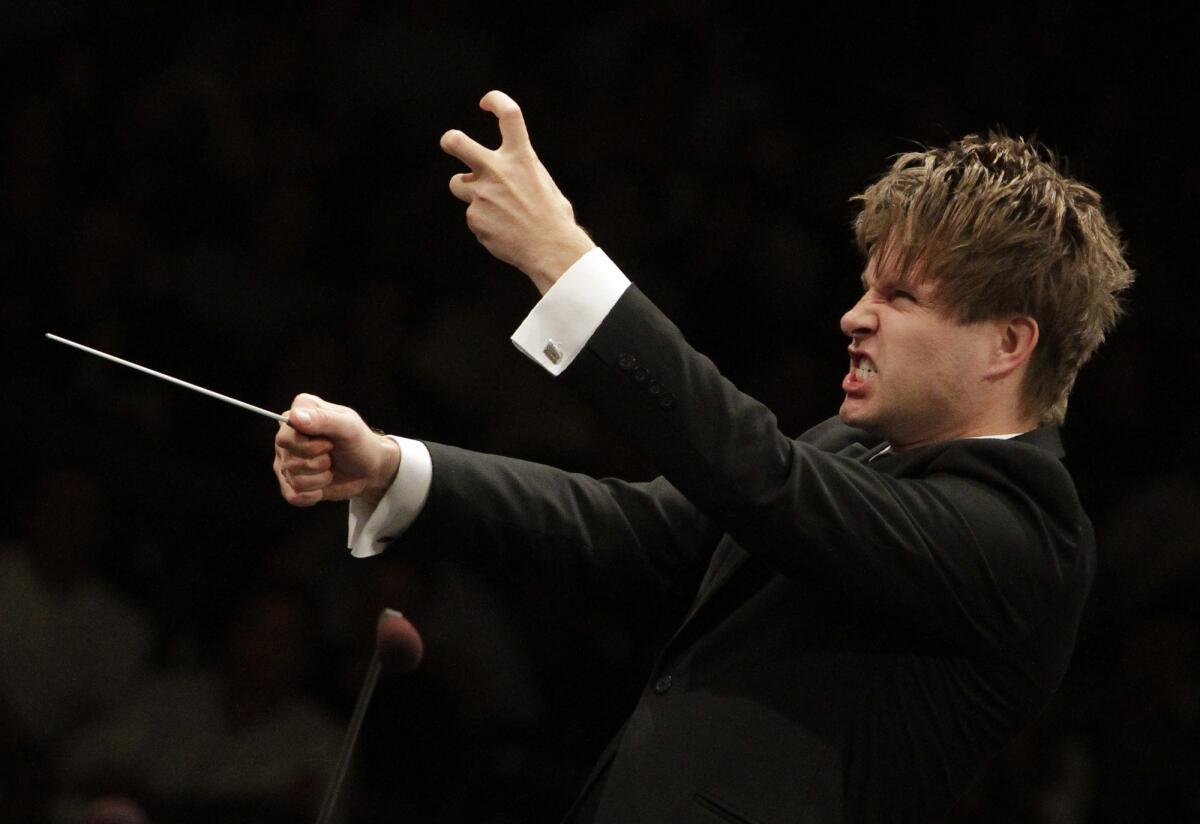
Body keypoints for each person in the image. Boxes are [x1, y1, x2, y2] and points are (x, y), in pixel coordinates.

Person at [272, 91, 1133, 823]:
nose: (855, 317)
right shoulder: (852, 448)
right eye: (867, 287)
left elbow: (765, 480)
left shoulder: (1025, 533)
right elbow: (641, 528)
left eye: (899, 297)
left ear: (1007, 344)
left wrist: (563, 261)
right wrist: (392, 466)